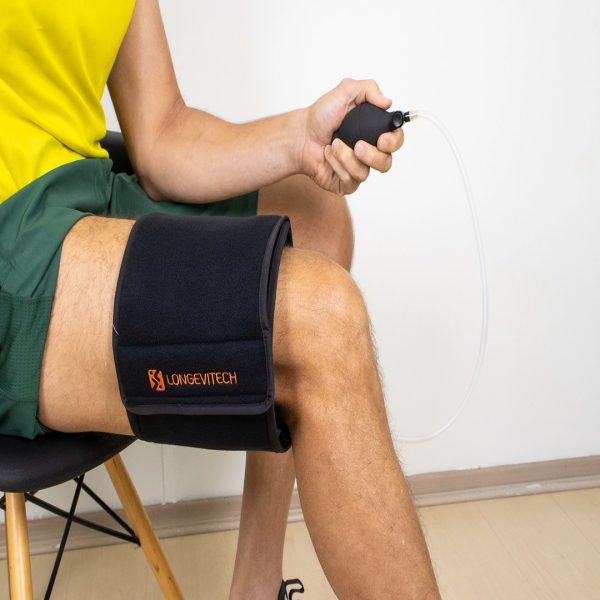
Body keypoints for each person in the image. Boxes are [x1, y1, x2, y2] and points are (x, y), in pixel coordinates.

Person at [0, 1, 440, 598]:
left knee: (313, 215)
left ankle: (255, 588)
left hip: (78, 194)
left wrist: (301, 139)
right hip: (10, 231)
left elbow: (161, 134)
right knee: (317, 318)